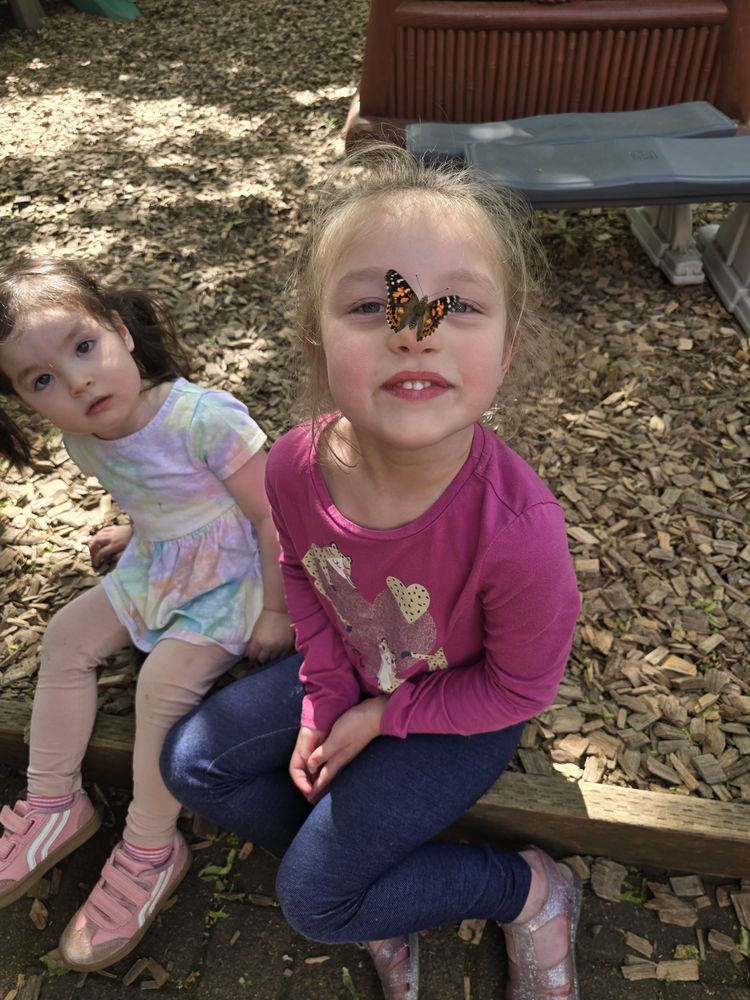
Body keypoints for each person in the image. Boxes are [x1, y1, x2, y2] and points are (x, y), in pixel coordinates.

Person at [161, 144, 581, 999]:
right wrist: (325, 697)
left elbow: (519, 690)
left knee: (315, 903)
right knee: (193, 764)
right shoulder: (293, 464)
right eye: (370, 304)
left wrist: (384, 717)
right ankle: (368, 881)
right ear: (316, 347)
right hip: (354, 673)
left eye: (459, 304)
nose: (413, 330)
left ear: (507, 348)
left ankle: (528, 891)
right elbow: (305, 574)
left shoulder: (518, 532)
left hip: (460, 712)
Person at [0, 255, 293, 972]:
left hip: (234, 578)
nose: (77, 381)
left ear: (121, 331)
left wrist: (278, 612)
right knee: (66, 637)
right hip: (159, 563)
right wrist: (136, 528)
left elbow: (274, 515)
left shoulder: (202, 418)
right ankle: (53, 805)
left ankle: (150, 848)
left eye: (83, 347)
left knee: (163, 683)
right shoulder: (84, 437)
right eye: (42, 380)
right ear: (22, 400)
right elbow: (160, 491)